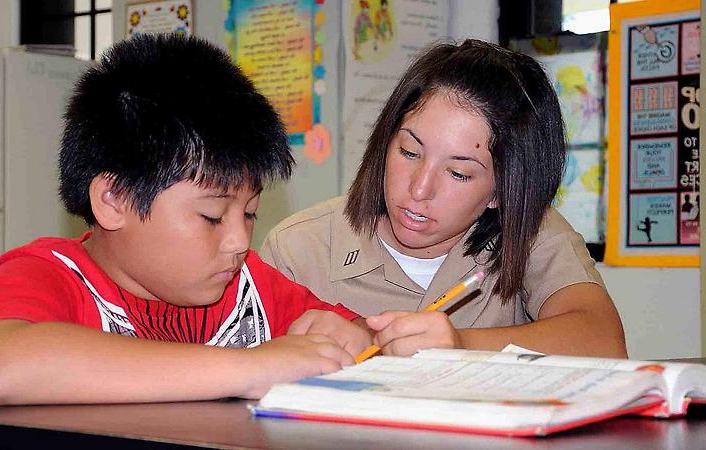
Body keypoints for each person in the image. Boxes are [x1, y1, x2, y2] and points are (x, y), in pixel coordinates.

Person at [0, 34, 372, 406]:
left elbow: (354, 337)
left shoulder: (248, 287)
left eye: (249, 214)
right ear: (114, 200)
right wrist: (247, 367)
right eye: (211, 216)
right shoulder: (45, 274)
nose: (239, 241)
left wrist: (362, 341)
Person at [261, 39, 627, 358]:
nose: (419, 189)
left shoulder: (528, 230)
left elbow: (602, 341)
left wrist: (462, 347)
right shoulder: (298, 248)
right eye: (408, 152)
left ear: (501, 192)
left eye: (458, 173)